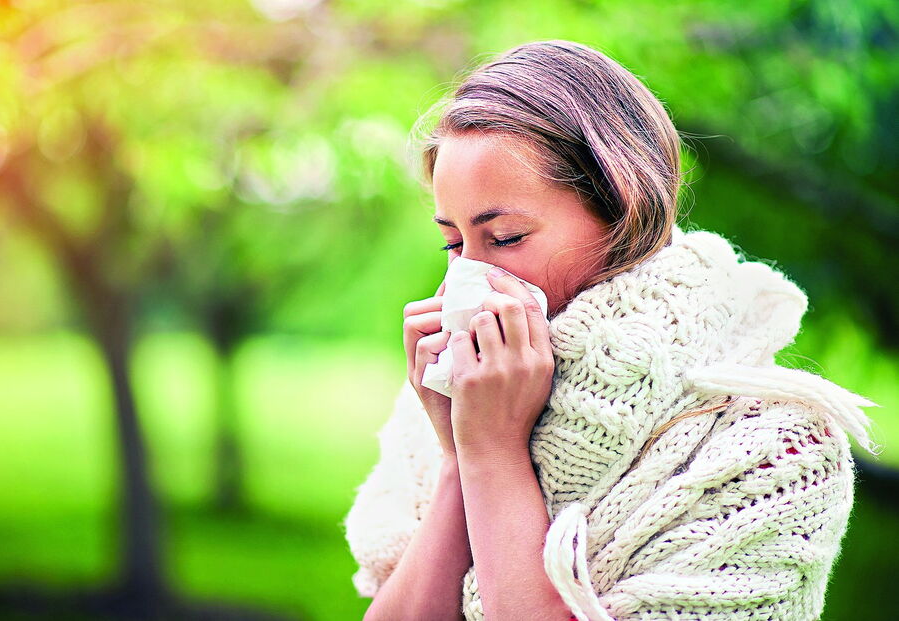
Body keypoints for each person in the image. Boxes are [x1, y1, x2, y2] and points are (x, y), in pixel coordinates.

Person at [344, 39, 879, 621]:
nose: (467, 279)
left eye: (504, 238)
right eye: (453, 242)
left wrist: (496, 456)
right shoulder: (455, 400)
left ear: (624, 211)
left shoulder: (775, 448)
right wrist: (459, 455)